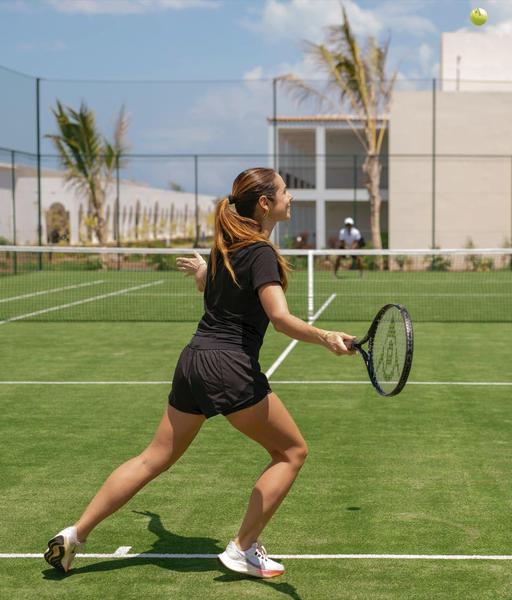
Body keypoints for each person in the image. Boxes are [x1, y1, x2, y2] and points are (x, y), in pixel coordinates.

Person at [44, 168, 356, 579]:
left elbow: (223, 292)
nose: (290, 197)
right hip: (229, 367)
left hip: (193, 361)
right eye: (284, 191)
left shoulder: (223, 248)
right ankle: (243, 548)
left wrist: (202, 276)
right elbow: (279, 319)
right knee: (291, 452)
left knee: (151, 459)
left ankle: (75, 534)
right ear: (265, 203)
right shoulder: (259, 252)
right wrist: (325, 335)